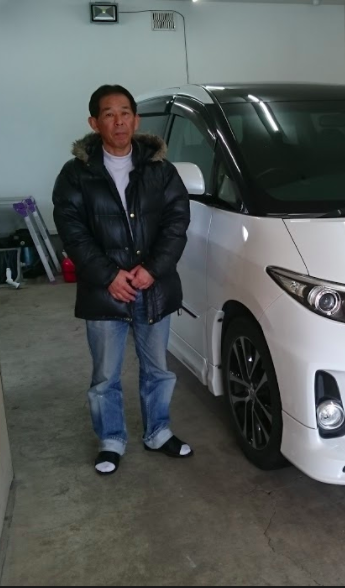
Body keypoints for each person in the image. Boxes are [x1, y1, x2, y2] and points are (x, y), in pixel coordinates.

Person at [52, 84, 192, 476]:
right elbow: (72, 232)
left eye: (125, 113)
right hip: (105, 292)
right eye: (109, 114)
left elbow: (177, 222)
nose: (119, 122)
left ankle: (158, 432)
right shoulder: (75, 175)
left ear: (136, 119)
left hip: (153, 287)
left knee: (158, 369)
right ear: (94, 123)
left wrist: (152, 269)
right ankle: (111, 439)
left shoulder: (160, 170)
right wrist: (108, 275)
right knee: (105, 376)